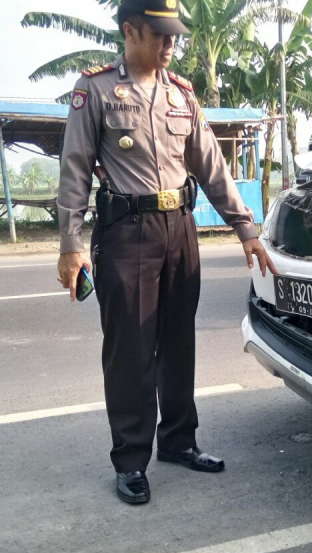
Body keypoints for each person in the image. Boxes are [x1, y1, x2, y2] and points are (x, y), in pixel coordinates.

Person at [56, 0, 275, 505]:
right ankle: (131, 461)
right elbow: (74, 173)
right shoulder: (97, 90)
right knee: (131, 350)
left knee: (178, 343)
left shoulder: (182, 95)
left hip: (180, 229)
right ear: (131, 31)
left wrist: (246, 228)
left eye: (174, 35)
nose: (171, 44)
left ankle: (179, 441)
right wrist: (70, 246)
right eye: (160, 35)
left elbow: (211, 165)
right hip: (126, 232)